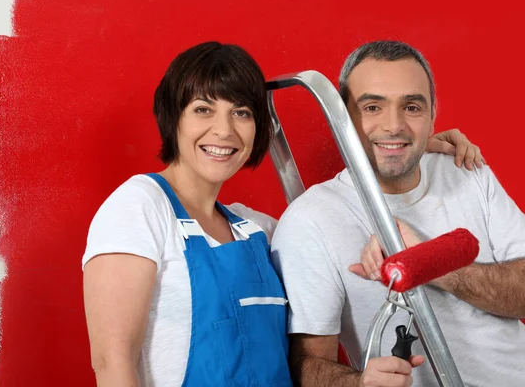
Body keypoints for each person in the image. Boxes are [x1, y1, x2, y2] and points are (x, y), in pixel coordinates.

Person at [82, 41, 484, 387]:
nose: (224, 131)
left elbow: (329, 232)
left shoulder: (257, 229)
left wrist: (406, 146)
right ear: (174, 119)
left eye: (241, 113)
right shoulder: (140, 206)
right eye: (203, 110)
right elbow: (112, 362)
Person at [271, 40, 525, 387]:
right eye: (373, 107)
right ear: (342, 115)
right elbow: (305, 365)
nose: (394, 126)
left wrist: (430, 264)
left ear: (433, 112)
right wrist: (360, 383)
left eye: (412, 107)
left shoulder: (468, 172)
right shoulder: (310, 219)